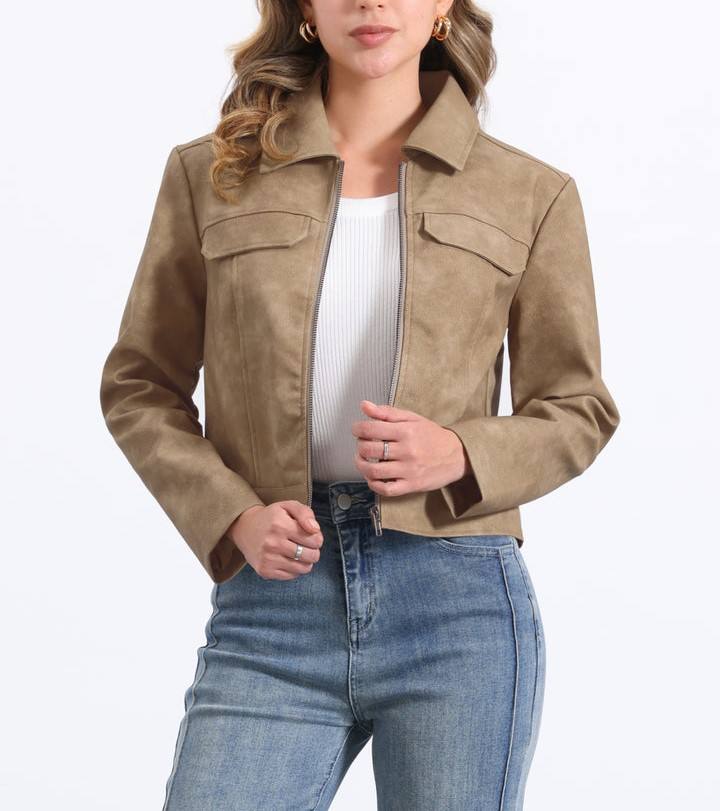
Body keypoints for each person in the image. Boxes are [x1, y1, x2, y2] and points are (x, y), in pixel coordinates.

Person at [99, 1, 620, 808]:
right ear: (305, 8)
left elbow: (579, 405)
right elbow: (139, 384)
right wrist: (233, 514)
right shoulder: (212, 176)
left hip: (457, 602)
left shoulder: (529, 194)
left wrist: (461, 452)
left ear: (442, 7)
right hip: (273, 603)